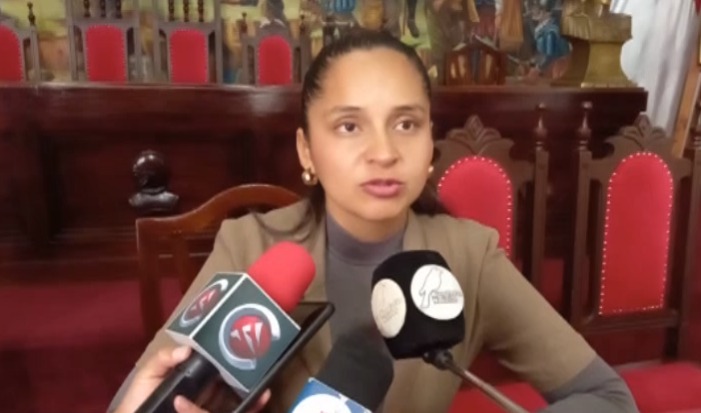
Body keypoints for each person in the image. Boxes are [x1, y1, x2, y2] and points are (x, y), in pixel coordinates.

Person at [109, 29, 639, 413]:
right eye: (349, 126)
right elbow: (138, 398)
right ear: (306, 150)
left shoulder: (467, 257)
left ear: (430, 144)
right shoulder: (248, 248)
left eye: (406, 123)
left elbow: (607, 397)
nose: (384, 152)